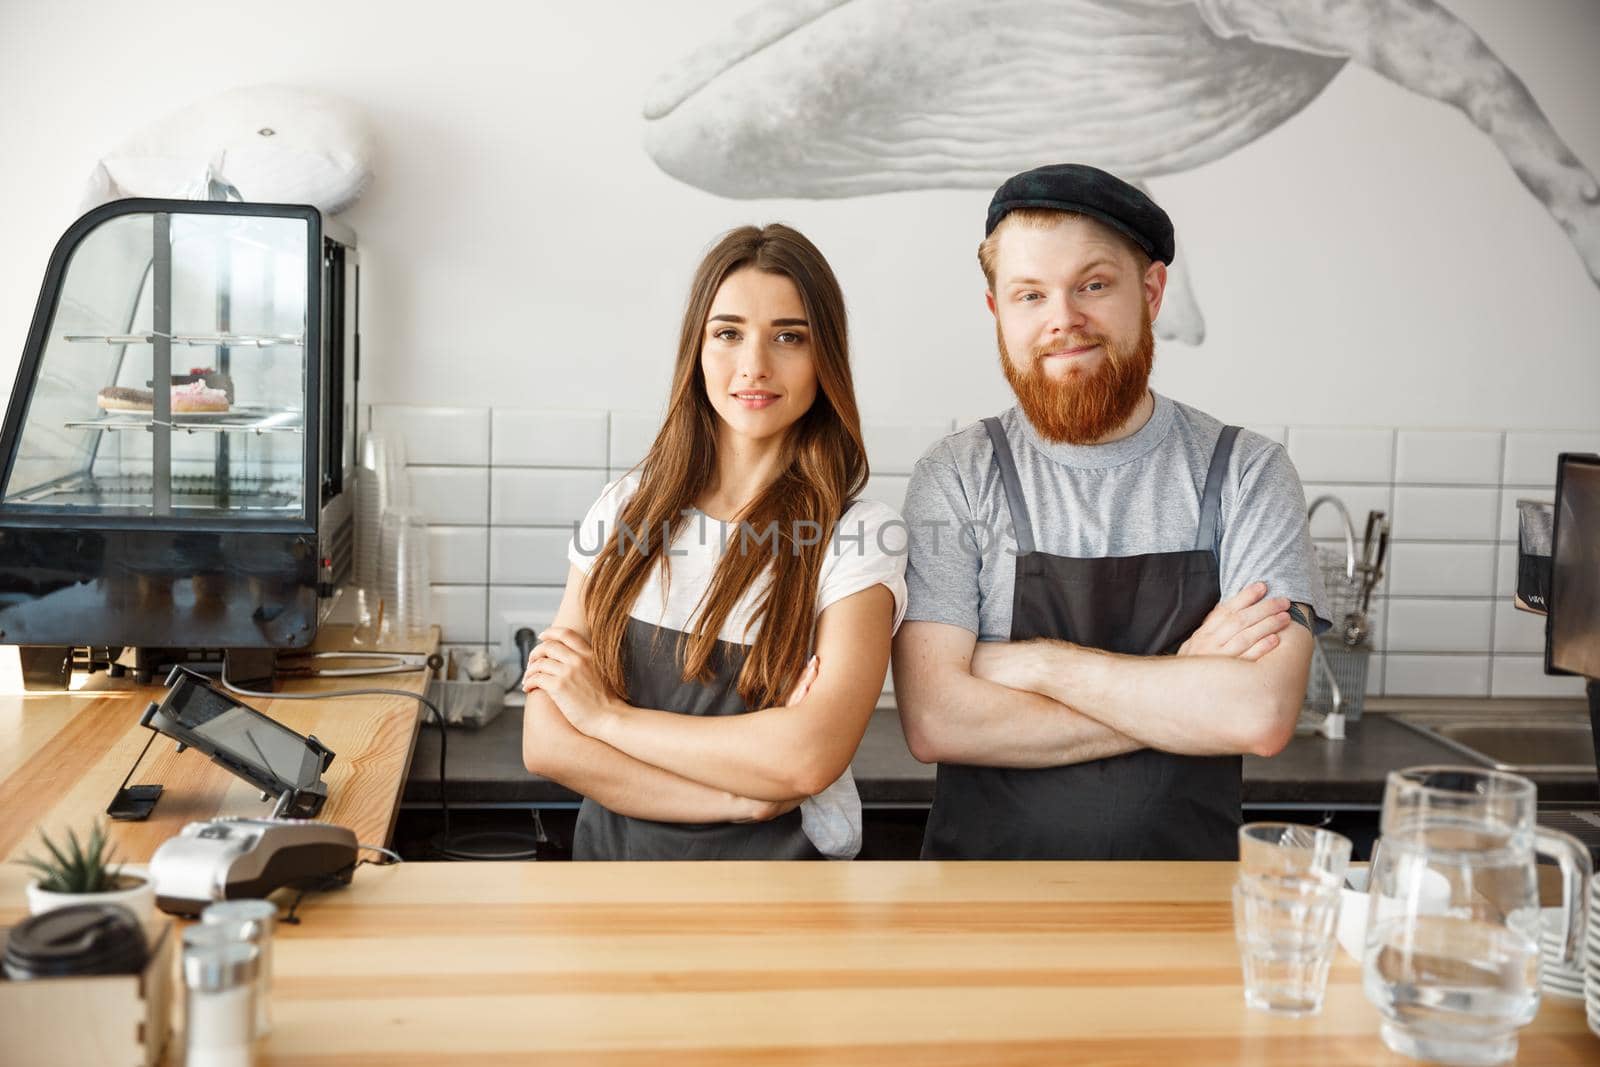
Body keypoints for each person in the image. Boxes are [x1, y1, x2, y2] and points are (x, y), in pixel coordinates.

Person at [893, 164, 1330, 861]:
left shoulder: (1247, 475)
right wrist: (1186, 679)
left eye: (1093, 284)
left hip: (1189, 912)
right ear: (998, 312)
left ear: (1151, 291)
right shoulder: (957, 477)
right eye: (1030, 294)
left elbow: (1260, 713)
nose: (1063, 318)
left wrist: (1036, 665)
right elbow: (936, 720)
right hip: (981, 916)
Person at [521, 223, 906, 860]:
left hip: (776, 908)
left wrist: (608, 719)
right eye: (728, 333)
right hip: (607, 890)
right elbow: (548, 743)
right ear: (696, 350)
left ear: (825, 359)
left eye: (789, 337)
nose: (754, 365)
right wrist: (738, 799)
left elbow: (806, 759)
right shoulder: (625, 507)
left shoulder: (858, 535)